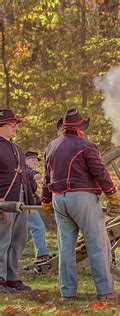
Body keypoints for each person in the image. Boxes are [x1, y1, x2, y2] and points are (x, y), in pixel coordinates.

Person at [41, 108, 120, 301]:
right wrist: (111, 194)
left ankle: (67, 292)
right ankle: (105, 291)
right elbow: (99, 172)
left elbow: (46, 178)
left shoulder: (50, 147)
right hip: (82, 198)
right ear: (80, 129)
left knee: (65, 247)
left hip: (59, 199)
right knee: (97, 244)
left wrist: (46, 200)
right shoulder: (86, 146)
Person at [0, 109, 32, 292]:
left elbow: (25, 178)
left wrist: (31, 199)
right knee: (2, 240)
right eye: (11, 125)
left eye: (15, 124)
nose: (15, 127)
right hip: (4, 200)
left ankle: (11, 277)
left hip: (20, 200)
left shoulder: (17, 148)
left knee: (19, 239)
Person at [25, 151, 52, 261]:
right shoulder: (25, 170)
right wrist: (36, 175)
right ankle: (42, 254)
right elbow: (30, 174)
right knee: (38, 228)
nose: (35, 162)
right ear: (25, 160)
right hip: (27, 206)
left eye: (36, 160)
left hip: (27, 204)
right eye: (32, 159)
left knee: (25, 233)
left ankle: (8, 250)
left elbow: (32, 193)